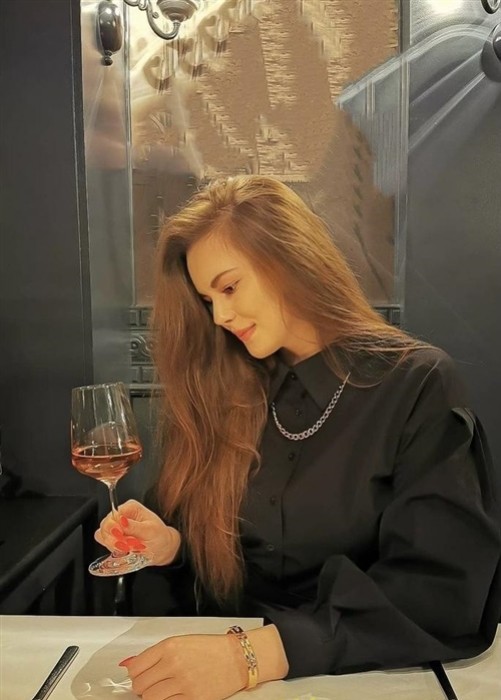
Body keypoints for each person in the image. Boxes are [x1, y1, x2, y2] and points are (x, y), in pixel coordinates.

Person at [96, 175, 501, 700]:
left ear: (290, 258)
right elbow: (228, 570)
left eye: (229, 287)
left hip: (365, 680)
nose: (220, 316)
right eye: (207, 299)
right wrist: (174, 546)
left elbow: (439, 590)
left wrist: (252, 656)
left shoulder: (415, 384)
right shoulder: (223, 388)